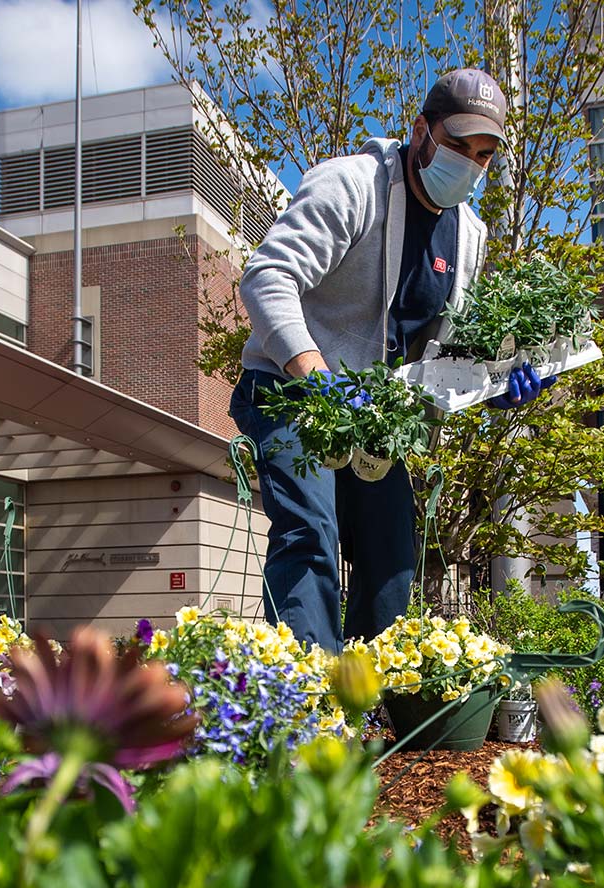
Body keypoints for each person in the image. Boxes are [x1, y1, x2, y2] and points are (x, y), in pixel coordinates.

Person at [231, 69, 552, 652]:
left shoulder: (468, 237)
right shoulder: (351, 186)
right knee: (310, 532)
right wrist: (319, 379)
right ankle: (306, 705)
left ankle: (375, 705)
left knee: (392, 561)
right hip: (289, 387)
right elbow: (267, 277)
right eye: (458, 145)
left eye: (482, 155)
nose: (469, 163)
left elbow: (442, 352)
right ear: (420, 130)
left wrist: (497, 383)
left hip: (378, 413)